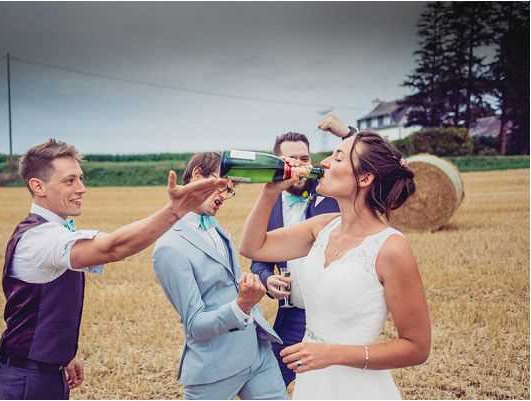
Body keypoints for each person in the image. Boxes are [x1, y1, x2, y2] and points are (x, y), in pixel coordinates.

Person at [0, 139, 226, 400]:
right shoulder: (39, 239)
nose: (82, 188)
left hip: (44, 373)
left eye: (81, 178)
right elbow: (113, 247)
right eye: (69, 181)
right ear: (37, 186)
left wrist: (63, 354)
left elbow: (37, 306)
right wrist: (176, 210)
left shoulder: (52, 231)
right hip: (22, 382)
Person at [239, 115, 431, 399]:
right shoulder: (322, 227)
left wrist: (331, 354)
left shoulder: (390, 248)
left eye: (338, 158)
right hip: (313, 382)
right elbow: (253, 247)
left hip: (358, 388)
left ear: (364, 178)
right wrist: (269, 193)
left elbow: (417, 347)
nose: (324, 163)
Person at [152, 152, 287, 400]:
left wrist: (249, 284)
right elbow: (195, 325)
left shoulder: (216, 227)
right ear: (197, 176)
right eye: (223, 186)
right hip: (214, 368)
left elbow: (226, 283)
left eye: (230, 190)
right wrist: (242, 305)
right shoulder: (168, 249)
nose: (225, 196)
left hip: (257, 352)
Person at [250, 132, 339, 387]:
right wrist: (268, 280)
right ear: (278, 163)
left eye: (305, 158)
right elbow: (258, 258)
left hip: (333, 312)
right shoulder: (268, 204)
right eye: (291, 160)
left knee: (331, 383)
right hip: (293, 313)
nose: (300, 165)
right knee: (271, 384)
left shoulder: (332, 193)